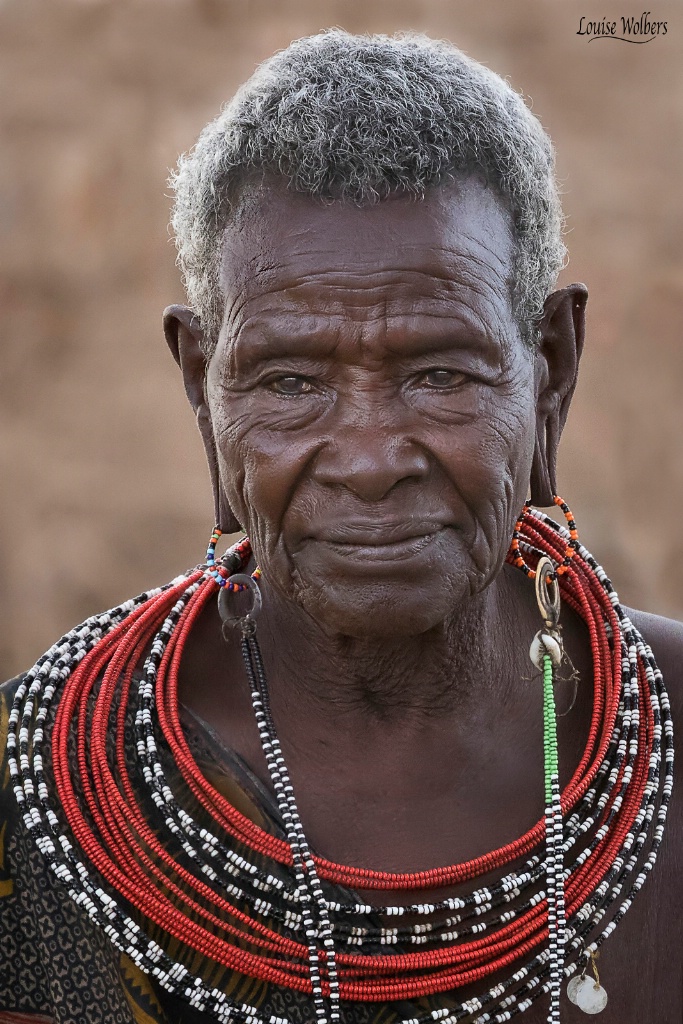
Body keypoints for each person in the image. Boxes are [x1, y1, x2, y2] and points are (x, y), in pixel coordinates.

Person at [1, 29, 680, 1024]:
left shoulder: (667, 739)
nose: (369, 459)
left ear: (549, 371)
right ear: (201, 387)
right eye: (288, 381)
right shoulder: (43, 794)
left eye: (439, 372)